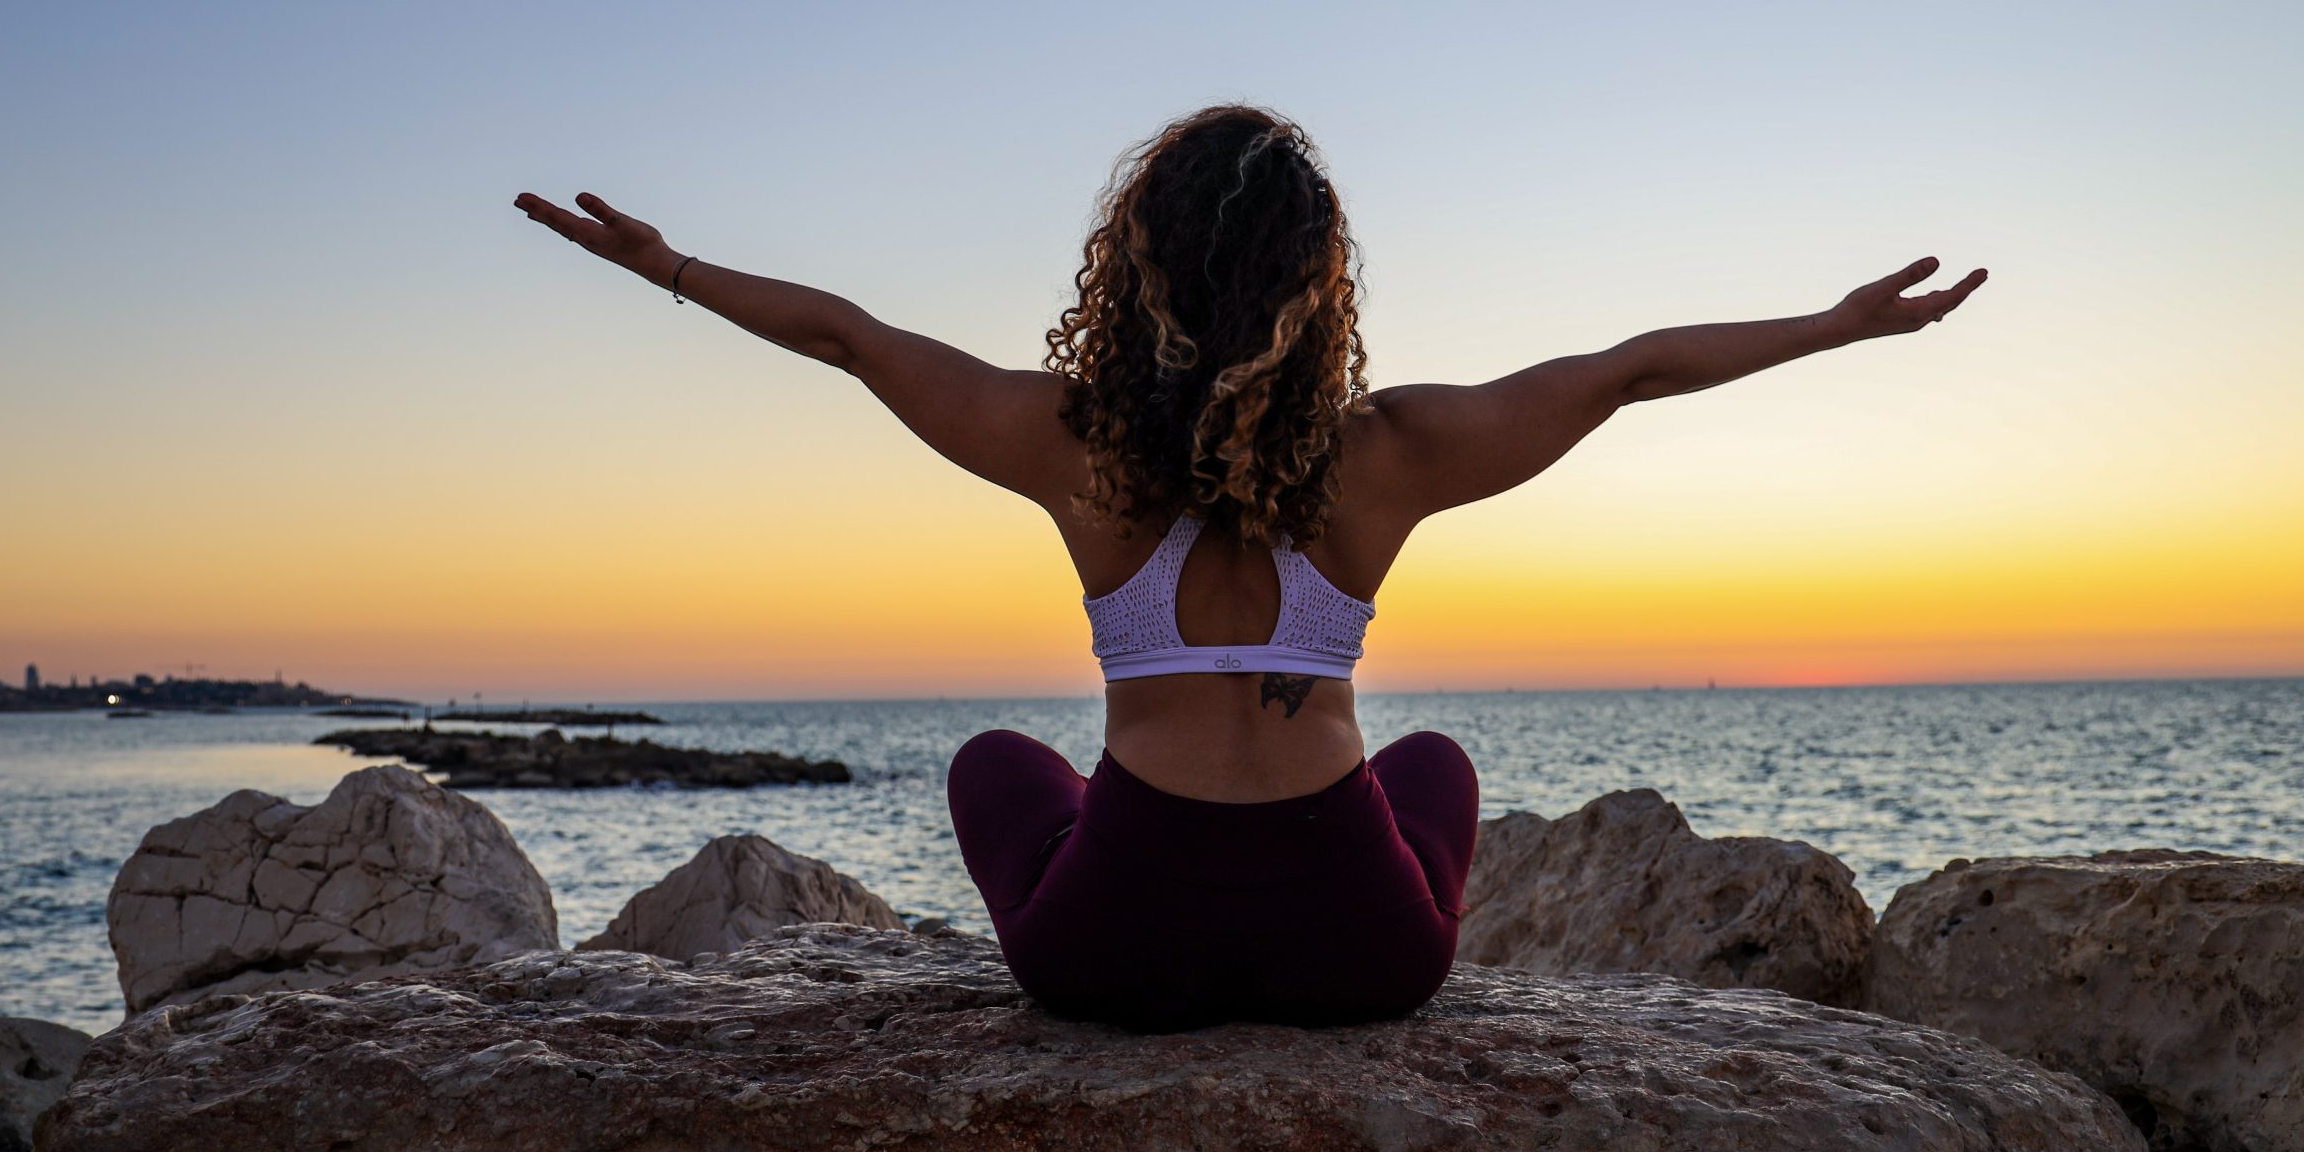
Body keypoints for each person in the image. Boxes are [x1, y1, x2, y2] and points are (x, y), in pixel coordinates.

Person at [516, 104, 1985, 1031]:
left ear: (1131, 269)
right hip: (1359, 953)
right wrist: (1831, 325)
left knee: (994, 765)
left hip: (1111, 952)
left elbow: (850, 337)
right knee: (1437, 769)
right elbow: (1630, 373)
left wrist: (670, 266)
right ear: (1318, 286)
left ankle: (1121, 829)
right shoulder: (1391, 454)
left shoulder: (1071, 443)